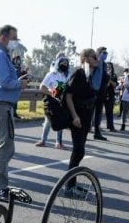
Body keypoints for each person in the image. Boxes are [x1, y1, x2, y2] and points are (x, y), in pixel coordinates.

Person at [0, 25, 28, 202]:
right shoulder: (0, 55)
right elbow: (4, 82)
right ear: (4, 38)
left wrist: (17, 81)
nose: (16, 41)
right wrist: (19, 84)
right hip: (0, 106)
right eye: (14, 38)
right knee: (6, 146)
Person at [64, 49, 100, 189]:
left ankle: (71, 183)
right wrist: (75, 116)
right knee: (79, 150)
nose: (96, 59)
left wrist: (89, 122)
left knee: (79, 151)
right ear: (85, 58)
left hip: (85, 119)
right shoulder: (79, 73)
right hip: (77, 118)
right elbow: (68, 96)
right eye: (94, 57)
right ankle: (69, 186)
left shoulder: (89, 76)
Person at [35, 55, 69, 149]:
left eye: (66, 63)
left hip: (61, 100)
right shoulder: (51, 74)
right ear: (58, 63)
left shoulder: (67, 75)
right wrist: (53, 93)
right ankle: (43, 140)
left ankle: (58, 143)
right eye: (62, 63)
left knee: (60, 120)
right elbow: (42, 87)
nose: (64, 65)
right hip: (51, 100)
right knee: (48, 121)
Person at [90, 47, 109, 141]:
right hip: (93, 89)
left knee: (98, 112)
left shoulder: (105, 65)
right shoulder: (94, 61)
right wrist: (99, 59)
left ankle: (97, 132)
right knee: (89, 111)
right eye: (103, 52)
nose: (105, 54)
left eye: (106, 53)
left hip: (102, 90)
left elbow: (105, 76)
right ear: (98, 53)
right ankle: (84, 132)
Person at [103, 61, 118, 132]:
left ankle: (111, 126)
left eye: (110, 67)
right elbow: (106, 85)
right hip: (103, 95)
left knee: (109, 111)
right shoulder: (103, 74)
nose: (109, 68)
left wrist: (109, 79)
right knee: (100, 112)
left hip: (111, 95)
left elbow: (114, 85)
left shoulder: (114, 75)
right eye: (107, 67)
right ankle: (99, 126)